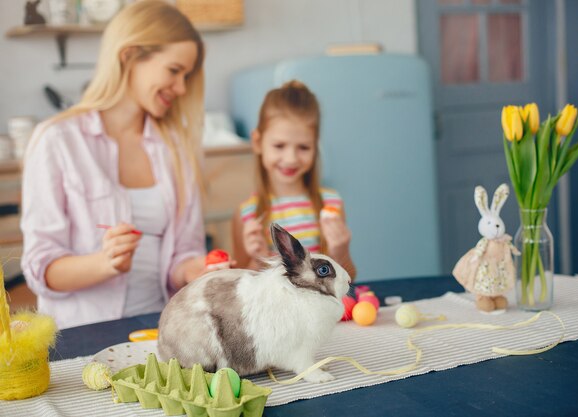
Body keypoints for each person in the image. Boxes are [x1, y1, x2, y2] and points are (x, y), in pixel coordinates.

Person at [20, 0, 207, 329]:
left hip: (160, 328)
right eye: (174, 71)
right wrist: (105, 263)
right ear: (129, 56)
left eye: (186, 76)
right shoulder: (57, 140)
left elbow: (183, 253)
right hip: (82, 336)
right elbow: (40, 268)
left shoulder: (175, 149)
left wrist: (197, 269)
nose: (180, 88)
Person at [231, 81, 356, 278]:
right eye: (279, 146)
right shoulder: (247, 214)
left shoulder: (331, 204)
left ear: (315, 148)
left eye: (303, 147)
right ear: (257, 142)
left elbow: (348, 279)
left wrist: (340, 252)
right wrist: (257, 259)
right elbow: (238, 286)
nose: (290, 159)